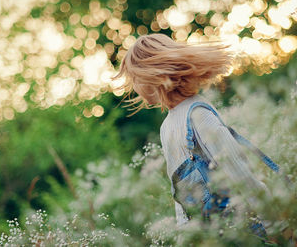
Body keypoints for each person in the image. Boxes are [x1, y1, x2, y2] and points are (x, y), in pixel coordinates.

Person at [113, 33, 281, 242]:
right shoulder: (166, 127)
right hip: (210, 236)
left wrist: (275, 224)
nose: (134, 87)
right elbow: (180, 193)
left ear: (151, 75)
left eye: (134, 79)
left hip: (243, 229)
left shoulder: (197, 114)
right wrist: (186, 235)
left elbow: (239, 170)